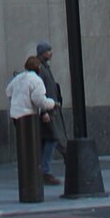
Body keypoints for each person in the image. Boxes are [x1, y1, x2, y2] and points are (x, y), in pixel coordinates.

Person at [35, 40, 69, 186]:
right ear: (43, 53)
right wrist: (44, 111)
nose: (51, 53)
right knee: (52, 138)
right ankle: (45, 170)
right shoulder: (41, 69)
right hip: (48, 110)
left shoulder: (45, 68)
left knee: (50, 139)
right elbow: (39, 92)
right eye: (48, 50)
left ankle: (43, 169)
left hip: (51, 109)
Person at [6, 55, 56, 144]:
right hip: (29, 116)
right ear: (38, 67)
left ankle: (24, 158)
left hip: (15, 115)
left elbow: (8, 92)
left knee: (23, 142)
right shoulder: (36, 80)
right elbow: (39, 100)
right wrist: (52, 103)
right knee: (32, 143)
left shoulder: (18, 78)